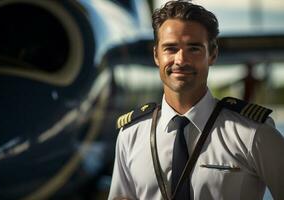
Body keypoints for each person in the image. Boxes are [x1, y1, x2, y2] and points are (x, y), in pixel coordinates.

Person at [108, 0, 284, 199]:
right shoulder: (130, 135)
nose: (181, 60)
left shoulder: (253, 133)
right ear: (156, 55)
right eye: (170, 48)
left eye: (194, 48)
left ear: (213, 54)